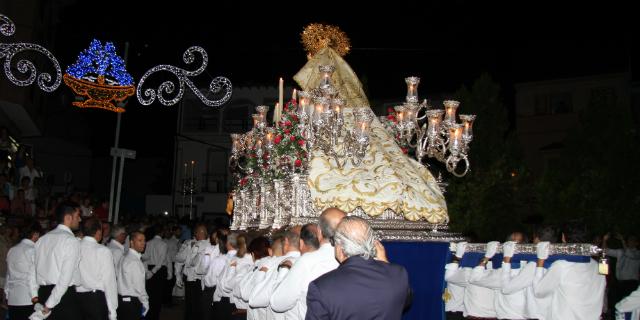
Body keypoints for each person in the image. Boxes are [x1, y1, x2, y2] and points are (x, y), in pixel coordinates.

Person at [306, 216, 410, 320]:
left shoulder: (321, 288)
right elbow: (405, 301)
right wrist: (385, 263)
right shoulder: (398, 273)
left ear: (339, 247)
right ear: (373, 244)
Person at [270, 208, 345, 319]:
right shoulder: (356, 259)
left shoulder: (307, 262)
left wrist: (283, 271)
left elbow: (278, 303)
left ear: (319, 232)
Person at [533, 222, 606, 320]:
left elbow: (539, 292)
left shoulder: (561, 265)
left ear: (563, 238)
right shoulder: (599, 266)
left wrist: (540, 261)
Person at [34, 201, 82, 320]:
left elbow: (32, 271)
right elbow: (65, 278)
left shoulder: (42, 239)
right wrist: (49, 305)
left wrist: (35, 297)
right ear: (68, 218)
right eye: (77, 216)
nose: (80, 219)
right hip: (62, 297)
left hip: (43, 293)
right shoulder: (70, 241)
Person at [75, 218, 118, 320]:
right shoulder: (102, 251)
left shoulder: (75, 246)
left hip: (76, 298)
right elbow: (109, 282)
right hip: (95, 300)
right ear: (98, 232)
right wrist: (113, 312)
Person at [4, 224, 40, 320]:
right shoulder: (33, 250)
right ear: (35, 234)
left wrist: (7, 295)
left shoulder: (12, 250)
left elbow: (8, 275)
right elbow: (32, 277)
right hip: (28, 298)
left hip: (13, 299)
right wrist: (35, 298)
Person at [116, 231, 148, 320]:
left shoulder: (124, 256)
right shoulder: (134, 261)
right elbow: (139, 287)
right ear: (131, 242)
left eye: (144, 240)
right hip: (132, 302)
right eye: (140, 240)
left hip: (121, 300)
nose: (143, 243)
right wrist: (145, 303)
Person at [142, 226, 167, 320]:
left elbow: (144, 258)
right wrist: (153, 271)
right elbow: (161, 261)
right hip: (158, 270)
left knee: (150, 294)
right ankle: (154, 316)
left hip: (149, 268)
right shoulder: (163, 244)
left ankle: (149, 315)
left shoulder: (148, 242)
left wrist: (148, 271)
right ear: (162, 233)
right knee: (158, 295)